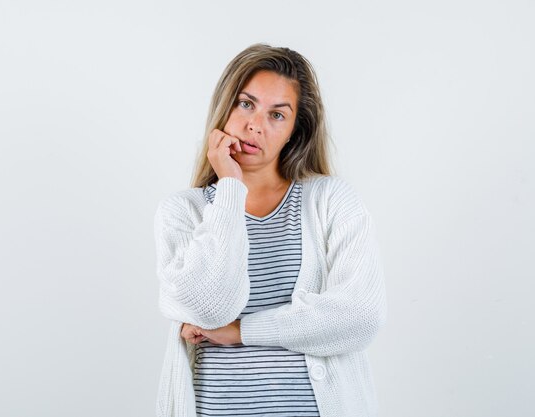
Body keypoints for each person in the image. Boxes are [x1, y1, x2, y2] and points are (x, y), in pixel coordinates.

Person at [153, 43, 387, 417]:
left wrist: (241, 331)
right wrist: (230, 188)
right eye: (246, 104)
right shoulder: (185, 211)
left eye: (277, 115)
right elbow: (207, 307)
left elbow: (359, 317)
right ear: (225, 106)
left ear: (296, 130)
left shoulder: (330, 200)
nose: (254, 125)